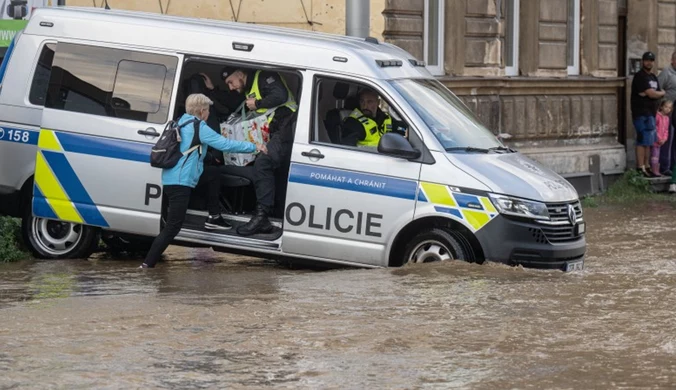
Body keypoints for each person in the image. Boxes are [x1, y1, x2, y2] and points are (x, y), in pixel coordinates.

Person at [140, 94, 267, 269]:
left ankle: (214, 216)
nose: (208, 113)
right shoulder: (199, 126)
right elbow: (225, 145)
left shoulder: (181, 121)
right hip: (180, 182)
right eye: (207, 110)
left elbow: (189, 149)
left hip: (171, 178)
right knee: (172, 228)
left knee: (213, 173)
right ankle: (147, 265)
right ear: (202, 111)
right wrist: (255, 147)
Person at [222, 67, 298, 236]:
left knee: (263, 164)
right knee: (259, 163)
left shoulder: (264, 76)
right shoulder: (249, 87)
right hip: (273, 132)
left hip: (286, 128)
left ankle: (262, 217)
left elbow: (281, 96)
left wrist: (257, 104)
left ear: (240, 73)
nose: (231, 87)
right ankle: (266, 213)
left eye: (231, 82)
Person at [631, 51, 665, 177]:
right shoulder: (640, 76)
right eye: (646, 60)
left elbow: (655, 92)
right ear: (642, 61)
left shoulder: (653, 77)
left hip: (651, 112)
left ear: (653, 62)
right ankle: (640, 167)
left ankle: (647, 166)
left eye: (651, 60)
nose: (649, 62)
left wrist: (657, 93)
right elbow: (652, 93)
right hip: (640, 113)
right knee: (641, 140)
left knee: (649, 141)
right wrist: (658, 93)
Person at [341, 88, 406, 147]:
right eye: (362, 101)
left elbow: (402, 129)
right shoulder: (354, 123)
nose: (365, 106)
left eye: (369, 102)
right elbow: (348, 150)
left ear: (378, 102)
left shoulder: (385, 118)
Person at [657, 51, 676, 175]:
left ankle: (673, 166)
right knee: (666, 139)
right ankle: (664, 167)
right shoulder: (666, 72)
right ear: (672, 60)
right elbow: (657, 90)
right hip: (667, 112)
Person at [652, 99, 672, 176]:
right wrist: (659, 138)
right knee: (654, 155)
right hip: (655, 140)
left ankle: (657, 170)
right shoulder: (657, 116)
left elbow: (666, 130)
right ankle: (654, 170)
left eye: (669, 108)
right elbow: (655, 128)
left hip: (661, 141)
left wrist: (664, 139)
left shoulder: (667, 118)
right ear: (661, 107)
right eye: (666, 107)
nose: (667, 109)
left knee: (657, 155)